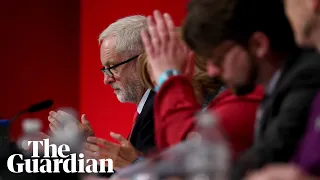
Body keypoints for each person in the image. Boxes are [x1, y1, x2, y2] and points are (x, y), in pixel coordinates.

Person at [179, 0, 320, 179]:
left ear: (258, 45)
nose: (212, 71)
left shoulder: (306, 76)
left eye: (218, 58)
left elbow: (271, 152)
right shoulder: (280, 84)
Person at [140, 11, 264, 160]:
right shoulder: (231, 96)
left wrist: (171, 80)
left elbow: (189, 157)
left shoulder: (247, 96)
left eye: (218, 57)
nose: (212, 70)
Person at [47, 15, 156, 172]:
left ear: (141, 62)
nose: (106, 80)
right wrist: (86, 145)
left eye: (112, 67)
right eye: (105, 69)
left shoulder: (157, 111)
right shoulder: (148, 107)